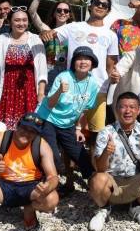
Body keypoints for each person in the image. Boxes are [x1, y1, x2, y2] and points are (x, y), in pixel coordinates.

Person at [40, 0, 119, 140]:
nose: (100, 6)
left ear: (108, 11)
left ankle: (92, 163)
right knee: (68, 133)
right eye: (97, 2)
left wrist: (114, 76)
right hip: (71, 89)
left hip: (98, 89)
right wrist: (45, 33)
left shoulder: (111, 35)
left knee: (97, 135)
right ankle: (69, 163)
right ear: (90, 6)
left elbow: (111, 65)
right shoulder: (73, 27)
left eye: (104, 5)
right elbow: (50, 34)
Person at [88, 92, 140, 231]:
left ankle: (136, 206)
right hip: (112, 182)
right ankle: (104, 209)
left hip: (135, 181)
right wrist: (106, 152)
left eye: (132, 107)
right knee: (97, 179)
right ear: (116, 110)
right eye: (123, 107)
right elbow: (100, 168)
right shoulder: (106, 132)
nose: (127, 111)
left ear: (139, 110)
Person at [36, 46, 101, 181]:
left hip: (68, 124)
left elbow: (84, 109)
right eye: (79, 59)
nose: (83, 62)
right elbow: (49, 104)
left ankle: (95, 184)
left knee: (81, 155)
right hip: (48, 119)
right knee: (53, 157)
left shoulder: (93, 84)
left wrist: (78, 129)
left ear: (92, 64)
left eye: (87, 59)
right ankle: (48, 183)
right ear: (73, 63)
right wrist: (59, 90)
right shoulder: (63, 77)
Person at [0, 8, 48, 129]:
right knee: (4, 126)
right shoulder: (3, 38)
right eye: (17, 20)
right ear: (10, 22)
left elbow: (42, 70)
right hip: (6, 88)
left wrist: (41, 92)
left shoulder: (35, 39)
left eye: (24, 20)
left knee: (28, 124)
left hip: (29, 89)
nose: (21, 23)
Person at [29, 0, 73, 84]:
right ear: (54, 13)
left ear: (69, 15)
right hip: (48, 69)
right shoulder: (47, 29)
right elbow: (32, 12)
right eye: (59, 10)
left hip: (68, 70)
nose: (62, 13)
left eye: (66, 11)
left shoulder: (74, 30)